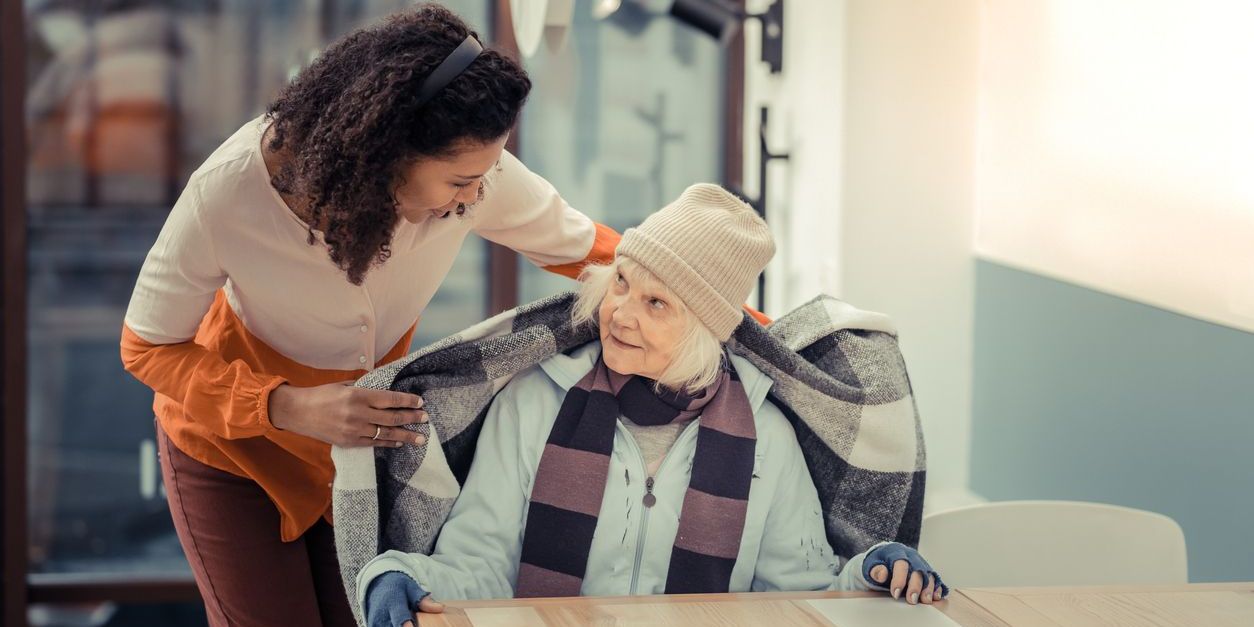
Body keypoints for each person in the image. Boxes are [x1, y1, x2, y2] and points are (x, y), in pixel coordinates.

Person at [119, 6, 633, 625]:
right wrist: (291, 406)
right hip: (233, 453)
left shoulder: (478, 177)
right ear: (385, 153)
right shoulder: (228, 193)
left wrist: (741, 320)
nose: (479, 195)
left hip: (355, 460)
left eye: (487, 173)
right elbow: (147, 347)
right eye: (461, 181)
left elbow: (601, 254)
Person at [357, 184, 947, 627]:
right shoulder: (532, 402)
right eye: (621, 283)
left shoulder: (766, 435)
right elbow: (481, 564)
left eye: (657, 303)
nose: (621, 313)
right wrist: (401, 573)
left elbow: (795, 593)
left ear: (704, 328)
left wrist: (873, 572)